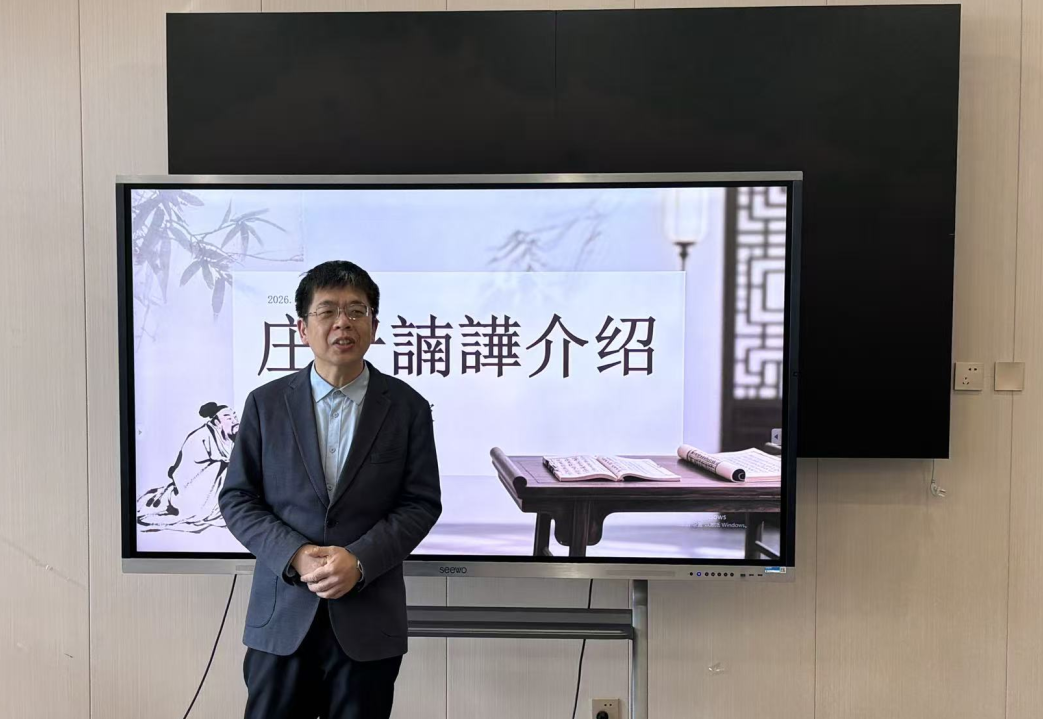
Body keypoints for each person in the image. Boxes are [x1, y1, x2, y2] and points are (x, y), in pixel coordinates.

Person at [219, 260, 442, 719]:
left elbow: (420, 504)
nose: (343, 322)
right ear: (303, 328)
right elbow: (238, 498)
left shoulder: (407, 408)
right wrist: (296, 554)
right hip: (282, 618)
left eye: (357, 311)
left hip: (368, 618)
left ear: (374, 326)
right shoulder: (266, 404)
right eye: (327, 311)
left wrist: (359, 560)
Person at [137, 402, 239, 533]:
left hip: (214, 487)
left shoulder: (231, 438)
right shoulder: (201, 436)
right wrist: (226, 465)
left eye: (235, 416)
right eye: (229, 418)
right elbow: (189, 469)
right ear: (217, 422)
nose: (235, 421)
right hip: (194, 488)